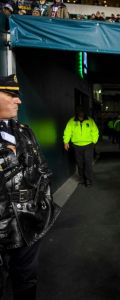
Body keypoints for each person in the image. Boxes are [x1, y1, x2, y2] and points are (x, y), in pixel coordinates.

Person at [0, 74, 60, 299]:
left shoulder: (25, 131)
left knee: (26, 277)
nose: (19, 101)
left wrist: (41, 206)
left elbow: (43, 171)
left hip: (27, 223)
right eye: (11, 95)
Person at [63, 107, 99, 187]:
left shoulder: (90, 120)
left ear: (84, 112)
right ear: (77, 112)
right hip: (76, 145)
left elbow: (95, 131)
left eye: (82, 111)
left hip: (88, 145)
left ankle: (89, 180)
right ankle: (82, 179)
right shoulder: (72, 121)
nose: (81, 113)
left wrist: (94, 141)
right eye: (79, 111)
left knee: (88, 162)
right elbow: (67, 131)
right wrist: (66, 142)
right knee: (79, 163)